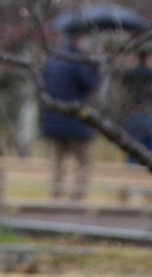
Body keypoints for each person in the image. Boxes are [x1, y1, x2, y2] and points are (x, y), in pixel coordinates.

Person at [41, 32, 100, 201]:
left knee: (57, 164)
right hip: (75, 122)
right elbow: (91, 84)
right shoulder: (77, 61)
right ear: (77, 39)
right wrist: (96, 67)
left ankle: (55, 199)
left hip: (53, 121)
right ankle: (75, 200)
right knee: (86, 161)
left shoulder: (53, 60)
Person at [121, 49, 152, 162]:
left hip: (150, 114)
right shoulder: (135, 72)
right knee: (135, 150)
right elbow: (132, 75)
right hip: (136, 114)